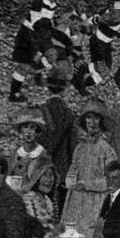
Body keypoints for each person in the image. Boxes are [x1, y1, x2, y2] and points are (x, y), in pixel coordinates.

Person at [62, 101, 118, 238]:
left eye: (96, 118)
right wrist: (70, 179)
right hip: (75, 201)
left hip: (96, 203)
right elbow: (73, 169)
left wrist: (86, 184)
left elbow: (112, 181)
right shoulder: (79, 147)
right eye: (89, 118)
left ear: (102, 122)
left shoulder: (107, 150)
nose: (92, 122)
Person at [37, 72, 75, 207]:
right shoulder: (69, 114)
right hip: (63, 166)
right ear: (64, 90)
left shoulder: (41, 110)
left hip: (42, 165)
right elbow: (72, 145)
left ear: (47, 88)